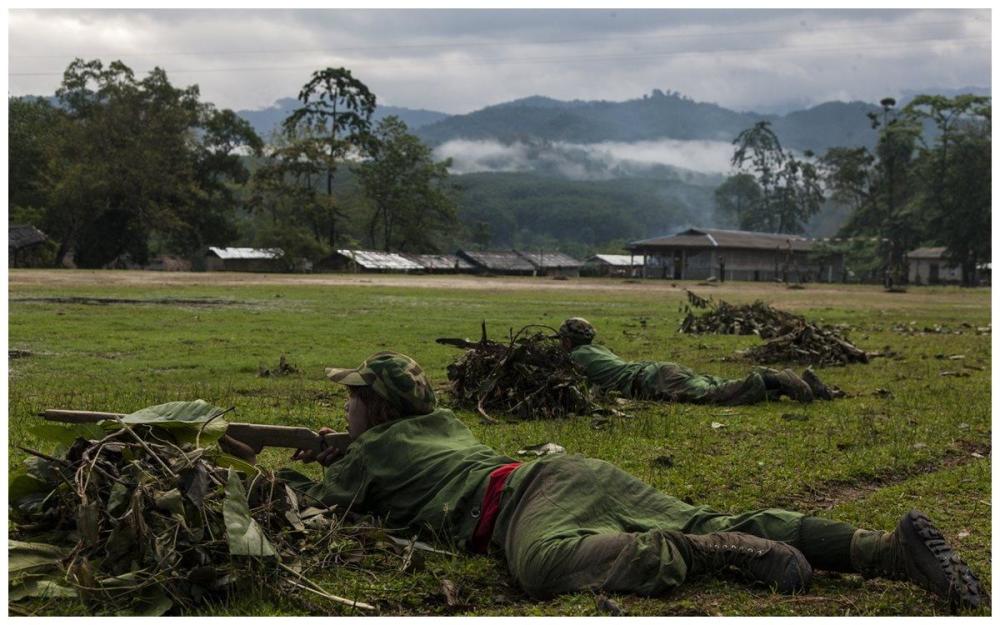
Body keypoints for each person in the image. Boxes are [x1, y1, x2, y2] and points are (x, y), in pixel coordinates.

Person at [279, 351, 986, 611]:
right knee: (715, 508)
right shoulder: (442, 425)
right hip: (566, 470)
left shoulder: (368, 453)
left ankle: (703, 553)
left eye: (351, 397)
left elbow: (297, 507)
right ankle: (879, 550)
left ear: (375, 406)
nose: (342, 406)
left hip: (526, 499)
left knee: (542, 563)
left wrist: (320, 462)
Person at [556, 317, 839, 405]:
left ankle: (774, 379)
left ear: (566, 342)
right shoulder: (598, 350)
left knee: (715, 394)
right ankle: (805, 386)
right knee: (720, 383)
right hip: (657, 368)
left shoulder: (574, 359)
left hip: (650, 380)